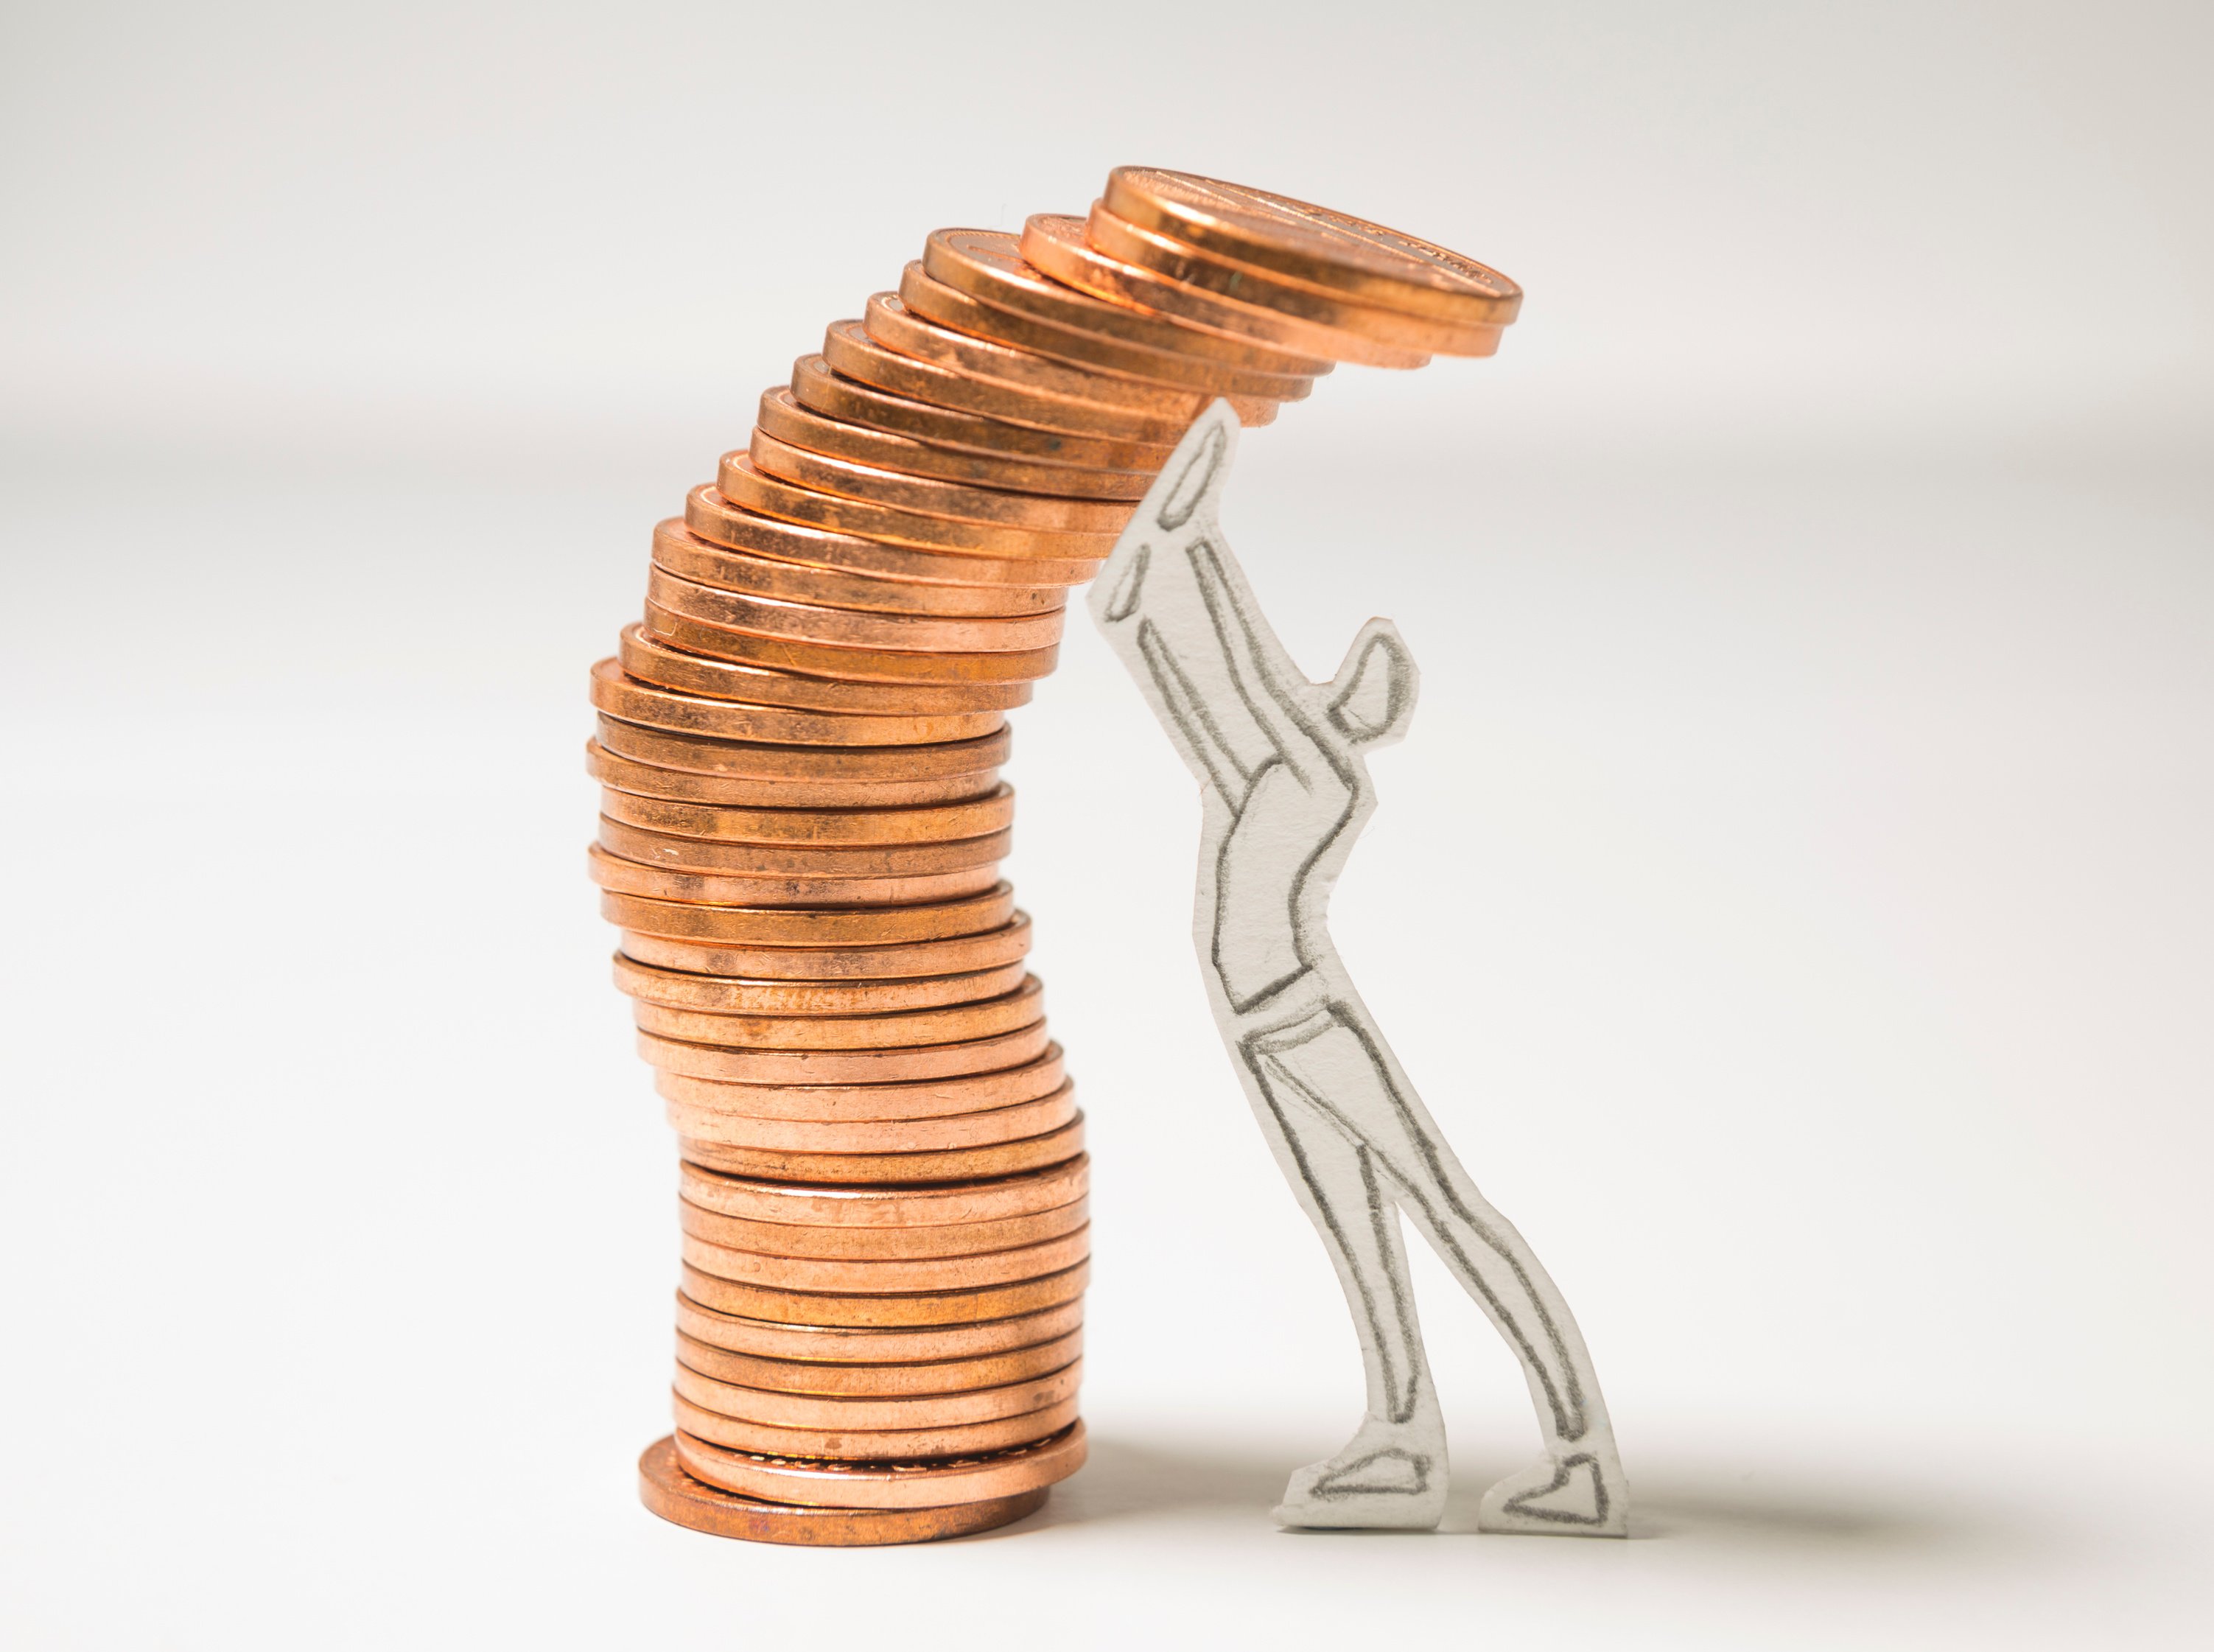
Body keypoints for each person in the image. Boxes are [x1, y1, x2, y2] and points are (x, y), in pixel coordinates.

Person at [1088, 406, 1628, 1535]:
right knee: (1359, 1231)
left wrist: (1185, 540)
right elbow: (1203, 684)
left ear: (1372, 715)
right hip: (1262, 1027)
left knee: (1443, 1206)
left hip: (1301, 1019)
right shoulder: (1268, 767)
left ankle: (1576, 1451)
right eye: (1361, 667)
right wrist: (1160, 560)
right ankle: (1396, 1433)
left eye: (1381, 680)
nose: (1368, 677)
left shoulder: (1314, 778)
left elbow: (1226, 671)